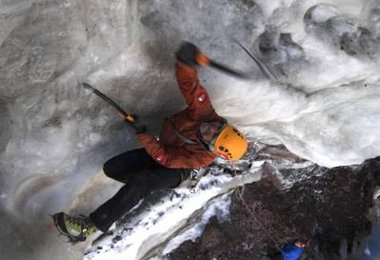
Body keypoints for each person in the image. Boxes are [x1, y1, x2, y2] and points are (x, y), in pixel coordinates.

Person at [52, 42, 248, 242]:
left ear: (211, 148)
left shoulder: (201, 157)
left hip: (174, 170)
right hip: (163, 152)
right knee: (113, 168)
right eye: (217, 128)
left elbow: (168, 158)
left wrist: (143, 134)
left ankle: (90, 227)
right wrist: (185, 63)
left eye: (211, 136)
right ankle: (134, 193)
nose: (209, 129)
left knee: (141, 182)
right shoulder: (205, 113)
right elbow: (191, 86)